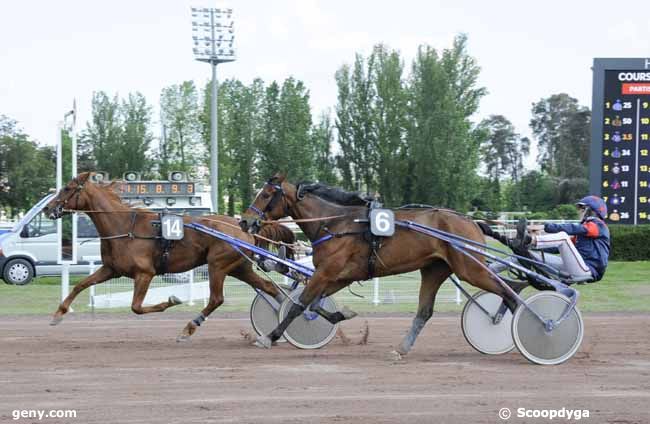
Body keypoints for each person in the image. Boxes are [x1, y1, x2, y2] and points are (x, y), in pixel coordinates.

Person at [509, 196, 611, 282]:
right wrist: (528, 247)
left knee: (563, 237)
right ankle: (492, 271)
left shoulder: (599, 226)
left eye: (582, 208)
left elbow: (572, 228)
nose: (579, 211)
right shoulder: (583, 233)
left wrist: (544, 227)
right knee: (522, 256)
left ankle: (529, 239)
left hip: (588, 270)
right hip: (574, 266)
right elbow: (556, 247)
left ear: (591, 211)